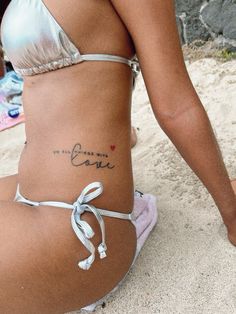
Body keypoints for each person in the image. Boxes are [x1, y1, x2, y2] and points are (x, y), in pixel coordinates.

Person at [0, 1, 235, 313]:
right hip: (26, 192)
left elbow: (176, 106)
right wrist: (123, 134)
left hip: (76, 225)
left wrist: (230, 211)